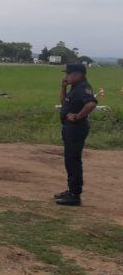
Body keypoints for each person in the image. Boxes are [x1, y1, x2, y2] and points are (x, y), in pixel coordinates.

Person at [54, 63, 97, 206]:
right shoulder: (74, 88)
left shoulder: (83, 87)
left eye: (69, 74)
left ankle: (75, 194)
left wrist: (78, 116)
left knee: (73, 160)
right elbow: (63, 101)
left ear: (78, 74)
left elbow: (91, 104)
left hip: (76, 128)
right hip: (69, 127)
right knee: (69, 159)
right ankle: (71, 189)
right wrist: (63, 87)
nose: (66, 76)